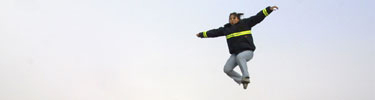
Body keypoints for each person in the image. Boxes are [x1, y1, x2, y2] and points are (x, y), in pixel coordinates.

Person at [196, 6, 278, 89]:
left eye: (234, 18)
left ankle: (246, 77)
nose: (232, 20)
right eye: (230, 18)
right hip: (235, 53)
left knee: (240, 57)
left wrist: (269, 10)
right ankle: (241, 80)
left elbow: (258, 17)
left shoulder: (246, 23)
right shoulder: (226, 29)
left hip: (247, 51)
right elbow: (214, 32)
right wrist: (202, 34)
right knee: (227, 69)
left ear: (238, 18)